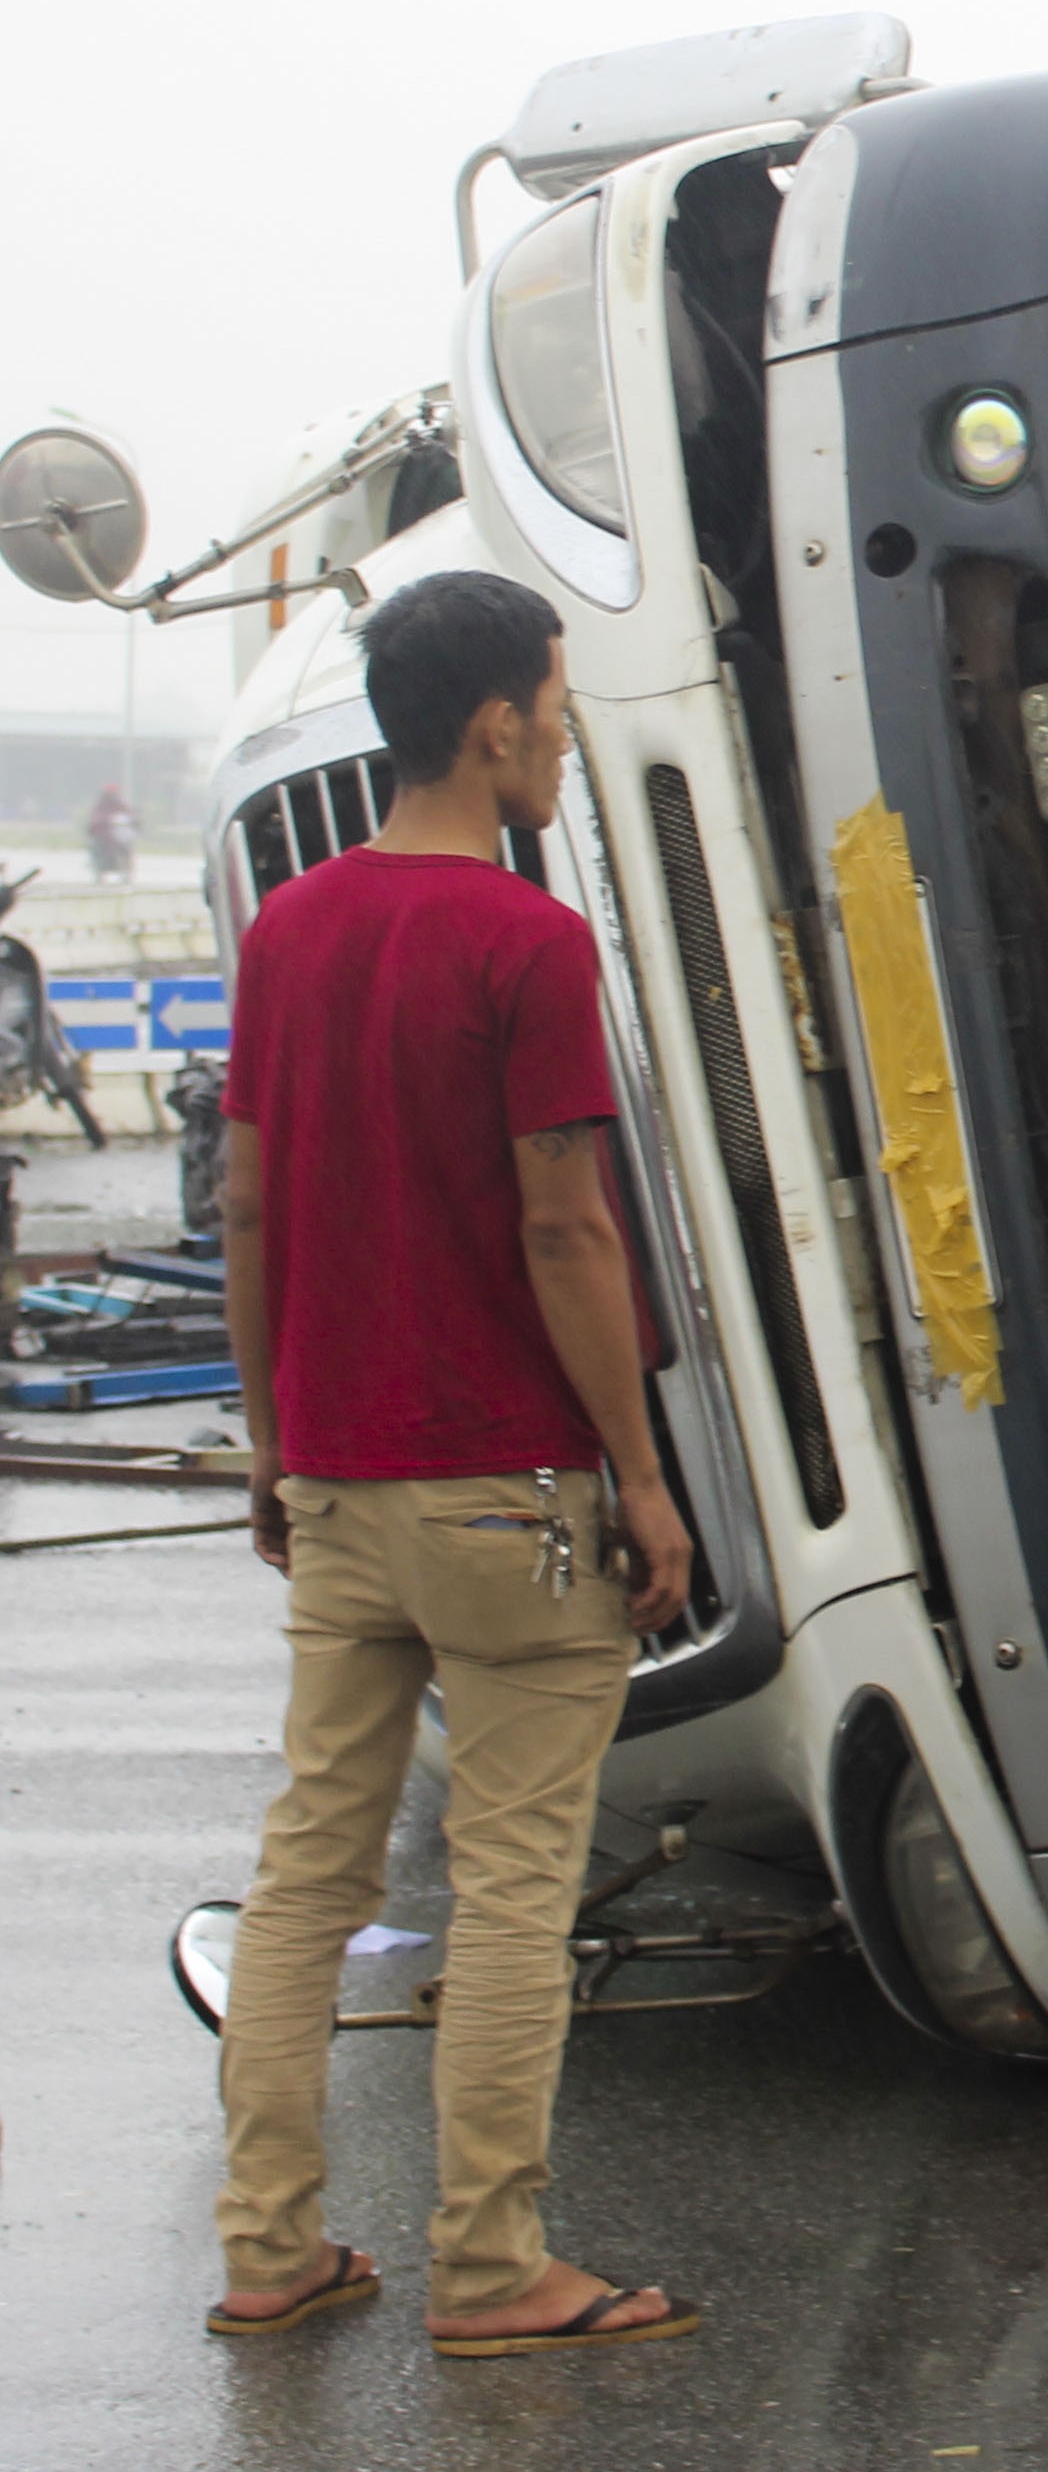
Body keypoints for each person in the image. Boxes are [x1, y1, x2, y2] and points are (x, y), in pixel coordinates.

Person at [206, 569, 703, 2354]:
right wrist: (640, 1476)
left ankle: (270, 2250)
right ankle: (493, 2271)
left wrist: (275, 1444)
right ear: (495, 723)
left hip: (336, 1481)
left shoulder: (289, 935)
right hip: (506, 1487)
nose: (565, 732)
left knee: (310, 1874)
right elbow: (565, 1228)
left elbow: (250, 1200)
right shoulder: (525, 941)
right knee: (509, 1887)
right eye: (558, 706)